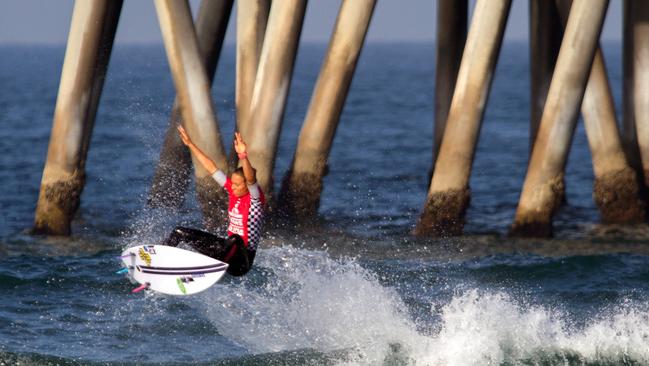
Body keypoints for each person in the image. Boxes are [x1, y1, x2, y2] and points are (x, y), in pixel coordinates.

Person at [163, 125, 265, 276]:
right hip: (225, 251)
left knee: (235, 239)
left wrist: (243, 156)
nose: (234, 187)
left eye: (238, 185)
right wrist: (190, 144)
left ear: (247, 186)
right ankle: (160, 257)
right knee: (180, 232)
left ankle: (204, 267)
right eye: (233, 183)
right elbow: (212, 168)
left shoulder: (255, 199)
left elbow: (251, 179)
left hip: (241, 262)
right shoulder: (232, 191)